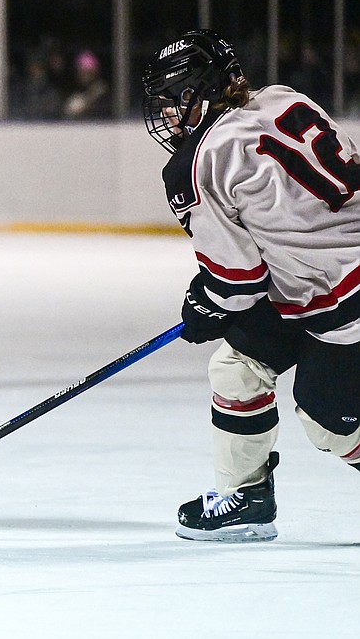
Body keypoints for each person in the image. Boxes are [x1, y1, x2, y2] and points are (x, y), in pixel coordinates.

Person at [142, 28, 360, 542]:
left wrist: (204, 305)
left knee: (329, 420)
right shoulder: (285, 98)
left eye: (174, 101)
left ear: (199, 90)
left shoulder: (199, 161)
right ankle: (246, 499)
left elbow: (237, 281)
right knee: (237, 368)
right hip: (318, 283)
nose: (169, 115)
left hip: (338, 298)